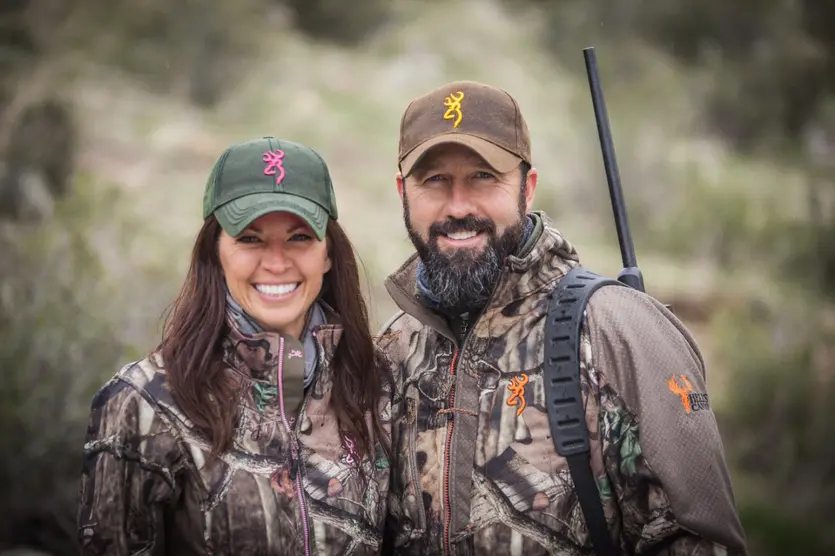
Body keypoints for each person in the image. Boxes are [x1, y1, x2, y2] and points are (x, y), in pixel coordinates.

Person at [376, 81, 749, 555]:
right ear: (402, 193)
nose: (458, 207)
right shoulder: (390, 351)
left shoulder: (619, 332)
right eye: (434, 181)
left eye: (483, 177)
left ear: (527, 189)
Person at [76, 137, 392, 555]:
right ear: (216, 253)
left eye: (299, 237)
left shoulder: (377, 386)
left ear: (328, 254)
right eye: (250, 238)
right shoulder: (144, 403)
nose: (277, 263)